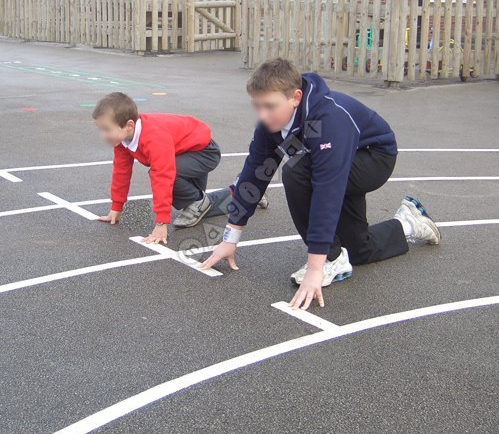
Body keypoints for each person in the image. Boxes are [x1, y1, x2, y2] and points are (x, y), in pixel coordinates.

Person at [201, 58, 441, 310]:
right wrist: (230, 238)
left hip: (373, 157)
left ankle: (331, 259)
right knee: (359, 250)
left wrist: (317, 265)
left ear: (295, 97)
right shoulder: (270, 123)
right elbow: (254, 174)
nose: (262, 114)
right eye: (256, 106)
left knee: (297, 172)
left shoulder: (328, 119)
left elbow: (328, 190)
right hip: (336, 159)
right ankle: (408, 223)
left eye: (269, 106)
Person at [93, 92, 225, 242]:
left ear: (129, 126)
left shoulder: (154, 137)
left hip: (204, 152)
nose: (102, 135)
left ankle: (199, 202)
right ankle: (241, 193)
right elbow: (121, 172)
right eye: (100, 129)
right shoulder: (122, 141)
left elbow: (162, 175)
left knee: (186, 193)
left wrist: (161, 222)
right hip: (185, 152)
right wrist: (116, 207)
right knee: (196, 202)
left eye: (107, 129)